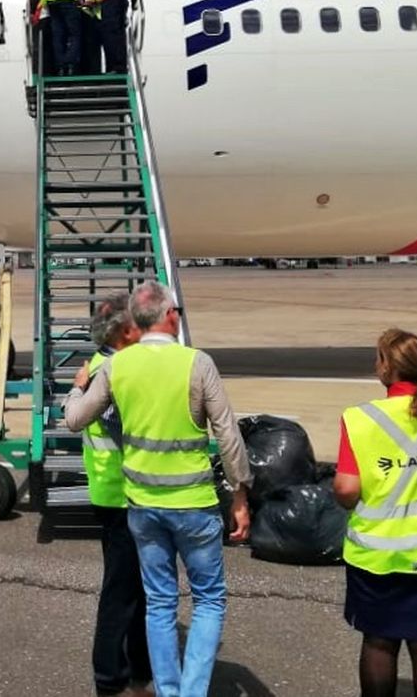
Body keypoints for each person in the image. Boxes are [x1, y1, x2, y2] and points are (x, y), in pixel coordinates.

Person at [65, 280, 251, 697]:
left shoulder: (117, 367)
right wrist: (241, 492)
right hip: (193, 502)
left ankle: (166, 689)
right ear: (169, 316)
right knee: (207, 601)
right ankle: (189, 691)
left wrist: (76, 388)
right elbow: (228, 435)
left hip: (141, 503)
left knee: (159, 602)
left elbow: (75, 419)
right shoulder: (197, 363)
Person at [333, 329, 417, 697]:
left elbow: (346, 489)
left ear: (387, 367)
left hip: (378, 554)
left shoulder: (359, 418)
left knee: (379, 643)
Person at [63, 293, 150, 697]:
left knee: (136, 588)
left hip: (117, 491)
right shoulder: (111, 371)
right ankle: (111, 679)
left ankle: (138, 668)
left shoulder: (102, 366)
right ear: (121, 332)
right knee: (122, 591)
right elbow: (125, 430)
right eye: (135, 324)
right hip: (121, 495)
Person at [79, 0, 106, 76]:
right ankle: (94, 71)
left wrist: (93, 2)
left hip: (104, 17)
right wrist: (83, 4)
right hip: (93, 18)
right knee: (92, 47)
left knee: (107, 46)